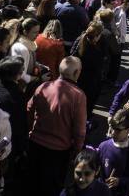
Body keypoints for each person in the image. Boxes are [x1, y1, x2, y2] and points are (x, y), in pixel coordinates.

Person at [25, 56, 88, 196]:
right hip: (58, 153)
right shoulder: (78, 96)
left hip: (35, 145)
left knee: (31, 184)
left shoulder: (44, 86)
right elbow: (80, 130)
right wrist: (78, 150)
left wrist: (30, 130)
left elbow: (29, 110)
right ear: (77, 73)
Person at [97, 109, 129, 196]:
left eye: (118, 130)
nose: (113, 133)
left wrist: (120, 181)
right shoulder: (103, 146)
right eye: (112, 127)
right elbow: (95, 172)